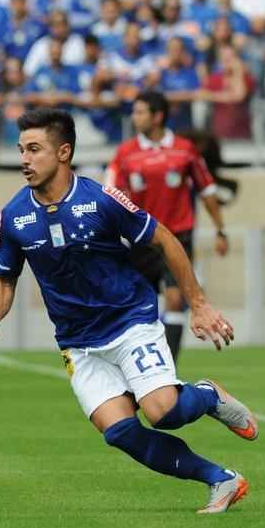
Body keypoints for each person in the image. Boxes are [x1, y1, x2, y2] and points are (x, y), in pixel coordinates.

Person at [0, 108, 256, 515]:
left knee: (164, 412)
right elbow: (4, 276)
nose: (24, 159)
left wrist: (198, 304)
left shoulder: (101, 200)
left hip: (130, 322)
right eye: (21, 150)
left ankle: (208, 396)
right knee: (121, 432)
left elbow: (164, 239)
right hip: (78, 342)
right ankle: (222, 480)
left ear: (63, 152)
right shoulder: (14, 215)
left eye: (34, 149)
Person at [104, 91, 228, 363]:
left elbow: (207, 190)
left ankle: (168, 366)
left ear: (157, 116)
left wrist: (221, 229)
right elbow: (109, 191)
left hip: (177, 237)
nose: (134, 117)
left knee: (174, 299)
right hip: (140, 238)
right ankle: (141, 360)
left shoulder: (185, 150)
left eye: (140, 112)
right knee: (140, 305)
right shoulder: (125, 153)